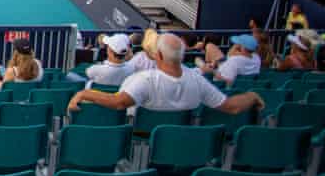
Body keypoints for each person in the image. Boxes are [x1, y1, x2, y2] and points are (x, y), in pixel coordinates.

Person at [68, 34, 263, 116]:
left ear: (158, 55)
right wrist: (252, 96)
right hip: (181, 149)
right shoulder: (197, 80)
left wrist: (84, 94)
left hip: (144, 141)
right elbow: (232, 107)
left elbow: (118, 102)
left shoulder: (144, 79)